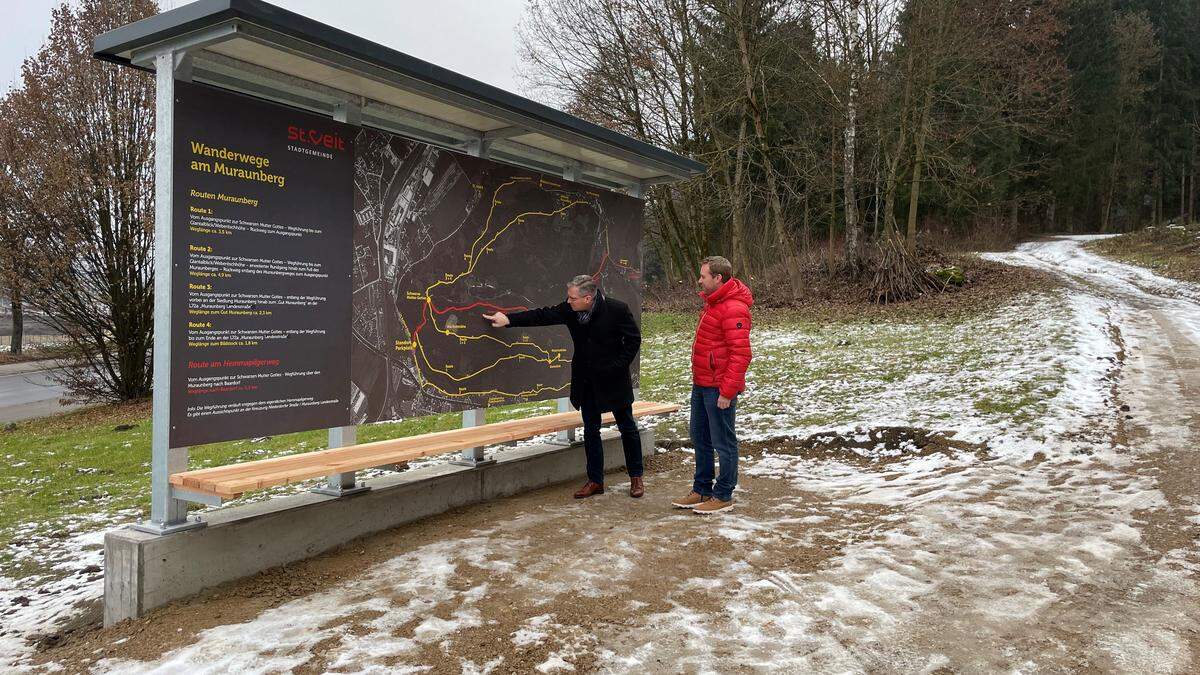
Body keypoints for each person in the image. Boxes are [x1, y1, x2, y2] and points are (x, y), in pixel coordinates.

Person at [483, 275, 644, 498]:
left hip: (613, 380)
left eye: (572, 298)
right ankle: (595, 481)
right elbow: (542, 315)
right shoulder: (571, 310)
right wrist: (508, 319)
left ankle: (636, 478)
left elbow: (633, 339)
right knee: (590, 430)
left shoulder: (617, 309)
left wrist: (617, 366)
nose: (568, 302)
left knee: (627, 427)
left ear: (588, 298)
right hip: (586, 380)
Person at [672, 256, 753, 514]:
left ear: (718, 278)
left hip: (718, 388)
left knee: (723, 442)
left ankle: (723, 494)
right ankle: (702, 489)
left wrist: (727, 391)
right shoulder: (712, 304)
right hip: (702, 384)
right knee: (700, 437)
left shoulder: (733, 308)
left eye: (703, 276)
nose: (699, 280)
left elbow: (741, 354)